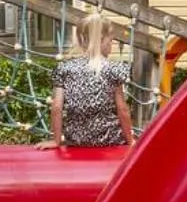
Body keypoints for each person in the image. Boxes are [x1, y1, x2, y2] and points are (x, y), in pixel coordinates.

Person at [41, 15, 134, 150]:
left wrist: (56, 140)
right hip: (110, 140)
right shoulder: (113, 69)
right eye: (111, 41)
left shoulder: (65, 68)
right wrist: (130, 140)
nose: (111, 46)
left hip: (76, 141)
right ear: (101, 40)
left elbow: (56, 107)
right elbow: (122, 109)